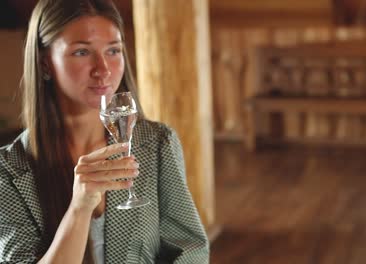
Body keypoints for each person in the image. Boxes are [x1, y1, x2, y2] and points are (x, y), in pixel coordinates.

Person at [0, 0, 209, 263]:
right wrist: (80, 207)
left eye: (113, 50)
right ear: (44, 64)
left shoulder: (157, 144)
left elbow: (190, 250)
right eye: (81, 52)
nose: (103, 70)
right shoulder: (8, 169)